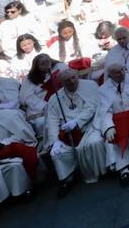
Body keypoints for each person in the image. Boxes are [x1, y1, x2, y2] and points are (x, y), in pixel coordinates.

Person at [44, 66, 106, 196]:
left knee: (93, 143)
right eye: (67, 80)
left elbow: (92, 107)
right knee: (57, 153)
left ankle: (99, 172)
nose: (72, 82)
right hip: (68, 134)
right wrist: (55, 141)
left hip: (90, 126)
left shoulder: (89, 86)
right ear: (61, 83)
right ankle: (67, 179)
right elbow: (52, 122)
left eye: (73, 78)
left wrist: (77, 121)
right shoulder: (55, 98)